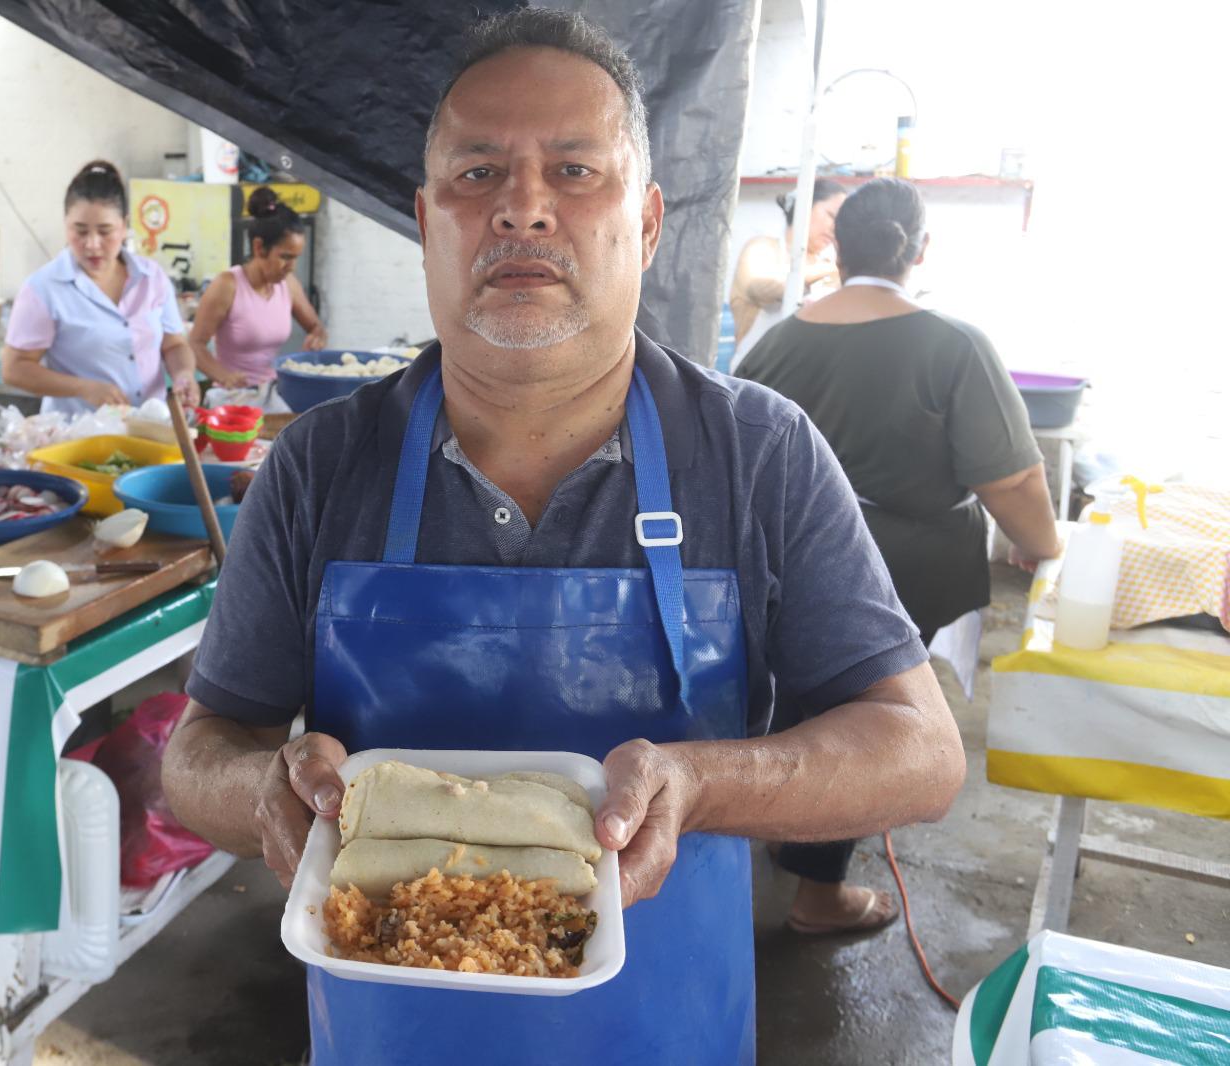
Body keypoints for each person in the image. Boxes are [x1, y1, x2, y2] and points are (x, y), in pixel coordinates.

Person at [159, 12, 965, 1065]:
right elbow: (199, 752)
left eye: (575, 171)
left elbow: (920, 751)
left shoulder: (756, 452)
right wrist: (257, 792)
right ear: (424, 217)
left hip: (663, 1033)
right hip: (387, 1036)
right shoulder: (319, 464)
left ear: (646, 223)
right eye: (477, 172)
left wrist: (701, 783)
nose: (522, 209)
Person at [738, 178, 1059, 934]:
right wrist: (1042, 544)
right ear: (918, 250)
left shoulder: (777, 340)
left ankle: (768, 827)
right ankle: (819, 893)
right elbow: (1008, 475)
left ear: (835, 248)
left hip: (777, 561)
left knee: (792, 701)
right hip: (895, 568)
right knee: (867, 716)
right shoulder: (953, 344)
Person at [1, 161, 200, 415]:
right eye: (80, 231)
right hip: (79, 436)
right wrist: (83, 388)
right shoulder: (44, 288)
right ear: (65, 224)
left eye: (105, 231)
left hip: (150, 430)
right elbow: (14, 368)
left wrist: (184, 374)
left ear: (124, 225)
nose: (92, 244)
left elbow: (174, 345)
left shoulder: (151, 278)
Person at [189, 186, 327, 403]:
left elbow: (316, 327)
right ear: (259, 247)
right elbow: (195, 345)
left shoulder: (287, 285)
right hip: (231, 397)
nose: (291, 266)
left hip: (271, 393)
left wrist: (316, 338)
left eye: (296, 258)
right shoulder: (227, 285)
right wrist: (224, 377)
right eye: (285, 257)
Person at [727, 177, 847, 371]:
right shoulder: (761, 248)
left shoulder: (829, 267)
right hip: (757, 376)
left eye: (841, 222)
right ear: (804, 207)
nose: (835, 228)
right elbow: (759, 288)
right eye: (831, 216)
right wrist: (834, 268)